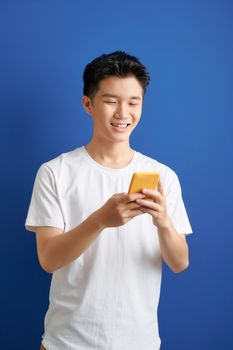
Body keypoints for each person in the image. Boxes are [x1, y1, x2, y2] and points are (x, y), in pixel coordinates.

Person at [25, 50, 193, 350]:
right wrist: (100, 220)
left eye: (133, 102)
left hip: (139, 342)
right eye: (111, 101)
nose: (123, 113)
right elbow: (48, 259)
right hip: (66, 343)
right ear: (88, 104)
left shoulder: (162, 176)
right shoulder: (55, 172)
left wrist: (163, 222)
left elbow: (179, 262)